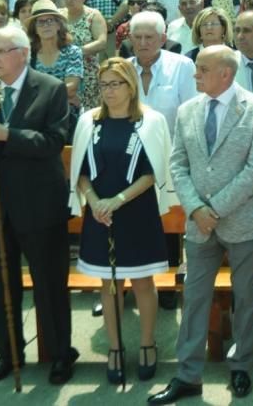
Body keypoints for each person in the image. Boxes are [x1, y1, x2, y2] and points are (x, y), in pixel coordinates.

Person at [148, 46, 253, 404]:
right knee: (194, 298)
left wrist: (213, 208)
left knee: (246, 298)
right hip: (198, 226)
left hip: (243, 222)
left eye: (202, 68)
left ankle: (241, 366)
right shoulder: (188, 110)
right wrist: (194, 208)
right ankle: (188, 375)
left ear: (226, 74)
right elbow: (178, 164)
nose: (195, 74)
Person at [0, 25, 77, 385]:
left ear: (22, 53)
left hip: (40, 204)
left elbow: (54, 141)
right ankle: (8, 352)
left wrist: (8, 135)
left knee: (49, 281)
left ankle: (60, 352)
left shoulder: (50, 88)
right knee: (2, 280)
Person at [69, 59, 173, 384]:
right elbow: (81, 171)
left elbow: (154, 171)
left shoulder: (151, 121)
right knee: (109, 285)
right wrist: (96, 201)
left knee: (143, 282)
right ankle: (115, 347)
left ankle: (147, 343)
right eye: (104, 85)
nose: (110, 91)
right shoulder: (89, 121)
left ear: (131, 87)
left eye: (117, 84)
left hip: (136, 212)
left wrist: (119, 199)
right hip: (100, 215)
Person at [26, 0, 84, 127]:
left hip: (66, 118)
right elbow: (25, 90)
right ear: (34, 28)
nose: (46, 25)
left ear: (59, 25)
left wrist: (39, 96)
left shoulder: (72, 52)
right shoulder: (28, 55)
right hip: (36, 120)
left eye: (50, 20)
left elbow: (71, 88)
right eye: (40, 22)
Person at [60, 0, 108, 111]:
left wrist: (75, 53)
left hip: (88, 76)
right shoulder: (58, 16)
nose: (69, 0)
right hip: (63, 74)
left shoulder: (93, 15)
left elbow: (101, 42)